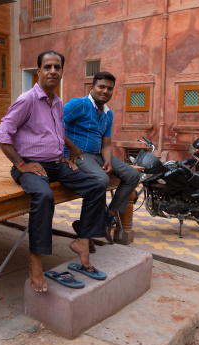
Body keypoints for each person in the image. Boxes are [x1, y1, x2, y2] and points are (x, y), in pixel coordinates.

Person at [0, 50, 108, 293]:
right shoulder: (27, 100)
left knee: (97, 185)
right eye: (48, 67)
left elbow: (55, 131)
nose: (53, 71)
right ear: (39, 72)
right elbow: (2, 135)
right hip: (30, 167)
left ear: (62, 72)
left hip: (57, 165)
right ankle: (35, 262)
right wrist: (22, 164)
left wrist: (71, 147)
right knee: (44, 197)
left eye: (57, 67)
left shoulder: (57, 102)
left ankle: (82, 241)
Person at [64, 71, 140, 245]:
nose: (105, 91)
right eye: (101, 87)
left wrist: (107, 160)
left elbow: (106, 144)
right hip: (77, 154)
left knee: (132, 175)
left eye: (110, 88)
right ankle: (86, 231)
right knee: (101, 179)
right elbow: (55, 123)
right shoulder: (79, 104)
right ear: (92, 88)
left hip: (96, 155)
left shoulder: (108, 114)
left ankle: (107, 220)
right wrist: (70, 147)